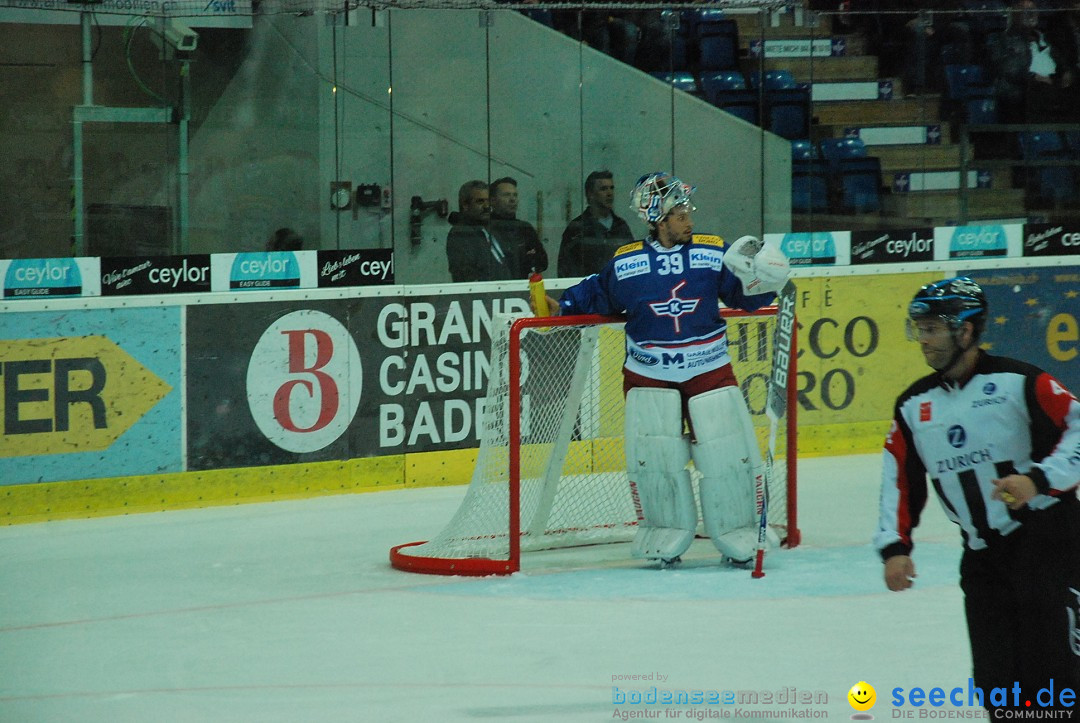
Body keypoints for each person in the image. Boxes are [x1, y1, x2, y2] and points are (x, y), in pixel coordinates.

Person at [536, 172, 790, 566]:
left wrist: (765, 281)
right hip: (649, 371)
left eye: (688, 211)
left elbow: (746, 297)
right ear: (656, 218)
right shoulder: (627, 262)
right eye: (679, 213)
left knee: (728, 452)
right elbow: (595, 294)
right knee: (655, 459)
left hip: (708, 365)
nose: (689, 219)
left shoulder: (712, 252)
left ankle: (739, 527)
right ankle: (663, 529)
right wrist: (563, 306)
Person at [875, 276, 1080, 713]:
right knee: (995, 682)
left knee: (1056, 677)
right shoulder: (913, 405)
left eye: (932, 329)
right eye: (919, 329)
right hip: (983, 559)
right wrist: (895, 547)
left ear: (965, 331)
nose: (923, 340)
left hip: (1049, 543)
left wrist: (1039, 480)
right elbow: (899, 477)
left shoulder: (1020, 382)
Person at [557, 170, 635, 278]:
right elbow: (565, 271)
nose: (609, 193)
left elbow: (633, 260)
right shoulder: (577, 229)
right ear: (591, 194)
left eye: (611, 188)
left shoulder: (621, 226)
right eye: (603, 189)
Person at [446, 180, 514, 283]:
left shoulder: (491, 230)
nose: (487, 206)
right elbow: (466, 276)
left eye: (488, 201)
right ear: (465, 205)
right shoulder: (460, 233)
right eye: (480, 201)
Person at [488, 177, 548, 278]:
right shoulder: (485, 229)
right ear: (493, 201)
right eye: (506, 195)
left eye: (515, 195)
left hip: (523, 287)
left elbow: (542, 262)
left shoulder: (525, 229)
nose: (512, 199)